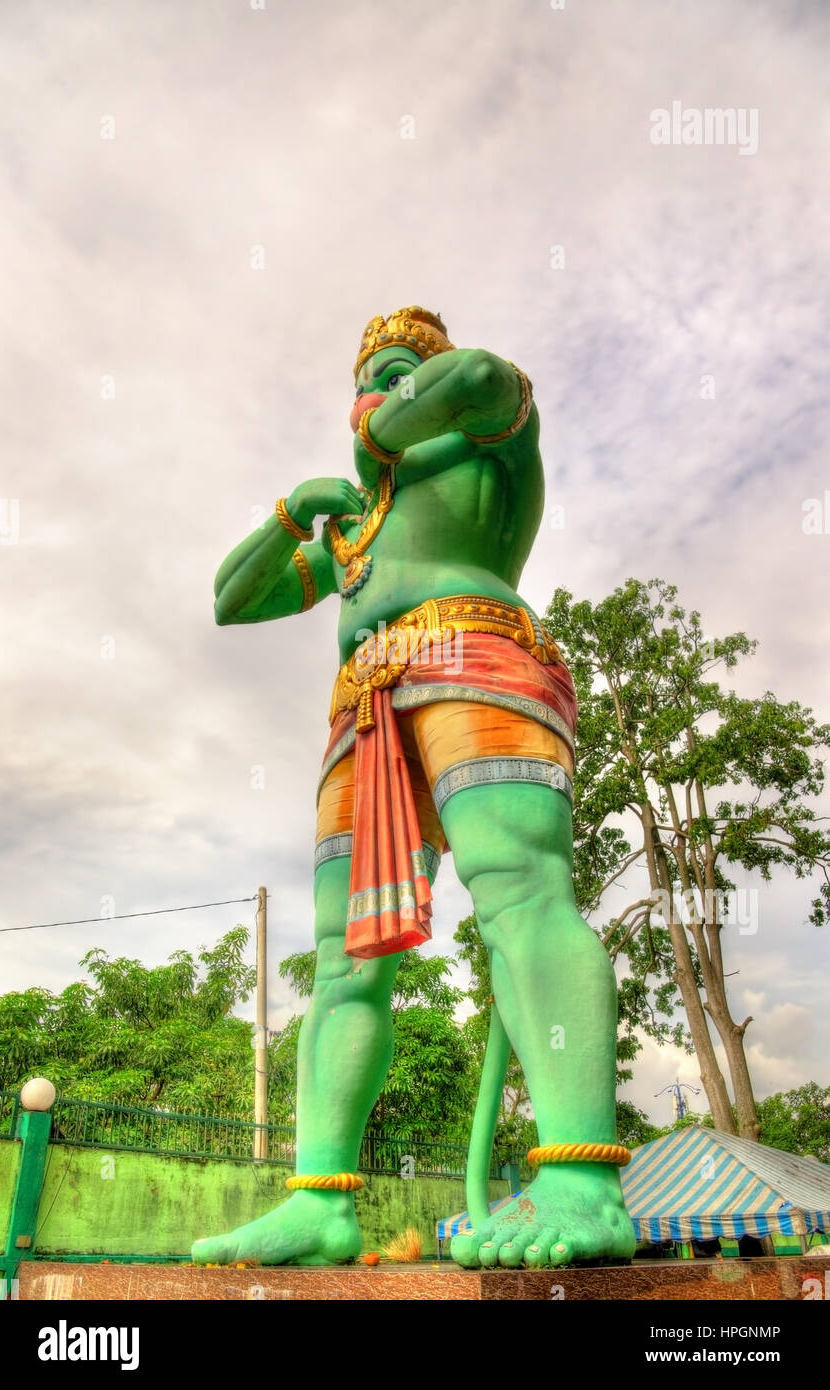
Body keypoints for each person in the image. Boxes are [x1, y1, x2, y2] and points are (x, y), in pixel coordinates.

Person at [192, 307, 635, 1269]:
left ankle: (581, 1178)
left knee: (518, 893)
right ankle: (320, 1202)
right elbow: (232, 602)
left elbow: (475, 375)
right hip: (362, 710)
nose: (377, 395)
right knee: (344, 962)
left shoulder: (487, 436)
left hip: (474, 655)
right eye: (364, 380)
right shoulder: (359, 528)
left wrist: (384, 421)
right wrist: (288, 519)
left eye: (396, 373)